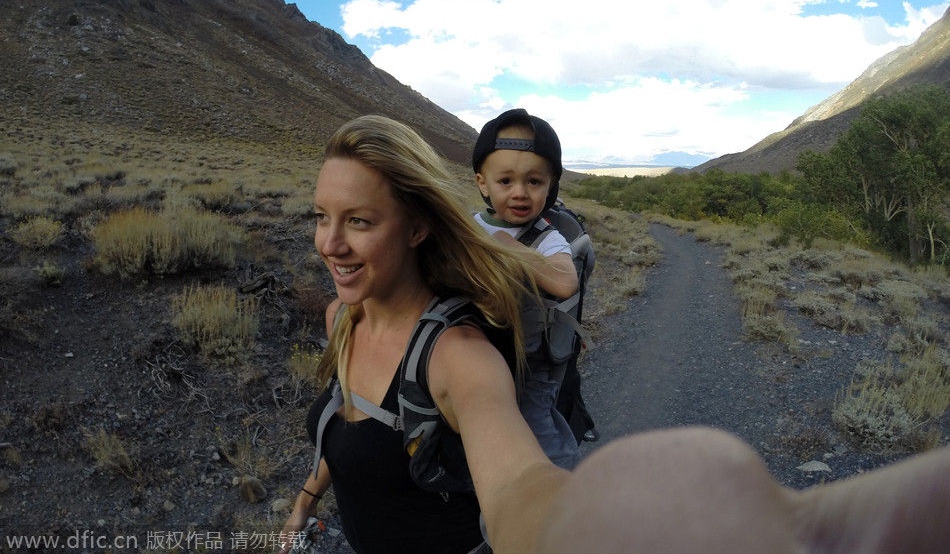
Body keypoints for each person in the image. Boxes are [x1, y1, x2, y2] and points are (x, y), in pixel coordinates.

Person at [280, 114, 950, 554]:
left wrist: (576, 524)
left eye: (359, 221)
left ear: (419, 226)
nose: (329, 243)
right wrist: (306, 500)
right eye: (320, 217)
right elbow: (352, 421)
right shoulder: (344, 318)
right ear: (481, 183)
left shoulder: (458, 356)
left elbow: (515, 485)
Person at [471, 108, 595, 464]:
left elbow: (565, 281)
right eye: (505, 181)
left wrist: (507, 248)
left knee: (539, 439)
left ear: (551, 184)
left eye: (534, 182)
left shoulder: (548, 238)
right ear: (483, 183)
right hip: (476, 358)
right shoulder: (467, 227)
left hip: (529, 370)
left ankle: (563, 490)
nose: (520, 193)